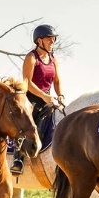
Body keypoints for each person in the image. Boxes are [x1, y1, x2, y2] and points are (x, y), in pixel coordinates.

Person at [10, 23, 65, 175]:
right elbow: (27, 82)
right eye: (49, 39)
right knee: (28, 124)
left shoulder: (53, 59)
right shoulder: (31, 57)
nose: (52, 42)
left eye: (53, 39)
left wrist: (60, 95)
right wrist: (44, 96)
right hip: (31, 99)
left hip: (48, 99)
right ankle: (18, 159)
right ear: (39, 41)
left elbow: (57, 81)